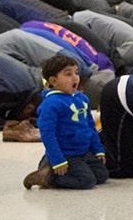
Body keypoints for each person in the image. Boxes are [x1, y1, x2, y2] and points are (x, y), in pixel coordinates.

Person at [24, 56, 108, 190]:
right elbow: (48, 135)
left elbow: (90, 127)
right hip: (66, 153)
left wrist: (98, 150)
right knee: (87, 181)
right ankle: (48, 176)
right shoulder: (51, 104)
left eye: (76, 73)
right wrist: (58, 160)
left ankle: (51, 167)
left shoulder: (82, 99)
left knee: (102, 175)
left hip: (83, 151)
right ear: (54, 81)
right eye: (68, 74)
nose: (75, 78)